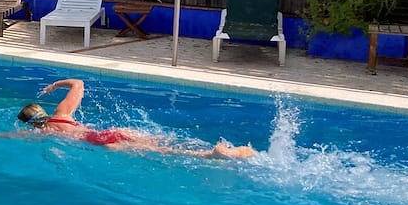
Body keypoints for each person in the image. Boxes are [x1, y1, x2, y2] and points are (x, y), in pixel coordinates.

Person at [14, 79, 256, 160]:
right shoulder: (62, 114)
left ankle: (211, 155)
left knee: (163, 151)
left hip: (102, 142)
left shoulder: (44, 132)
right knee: (164, 141)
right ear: (41, 110)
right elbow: (79, 83)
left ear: (30, 122)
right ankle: (229, 150)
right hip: (115, 130)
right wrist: (55, 85)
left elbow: (12, 136)